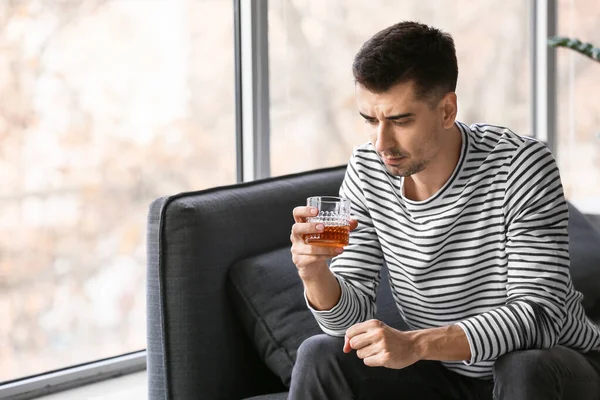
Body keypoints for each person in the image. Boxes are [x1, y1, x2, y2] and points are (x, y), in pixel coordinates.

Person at [288, 21, 600, 400]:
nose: (381, 142)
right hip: (446, 372)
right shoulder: (368, 169)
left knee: (521, 365)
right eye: (370, 120)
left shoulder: (520, 165)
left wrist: (416, 345)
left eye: (400, 120)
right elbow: (348, 326)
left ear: (447, 110)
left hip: (556, 366)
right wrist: (314, 272)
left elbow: (538, 316)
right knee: (321, 353)